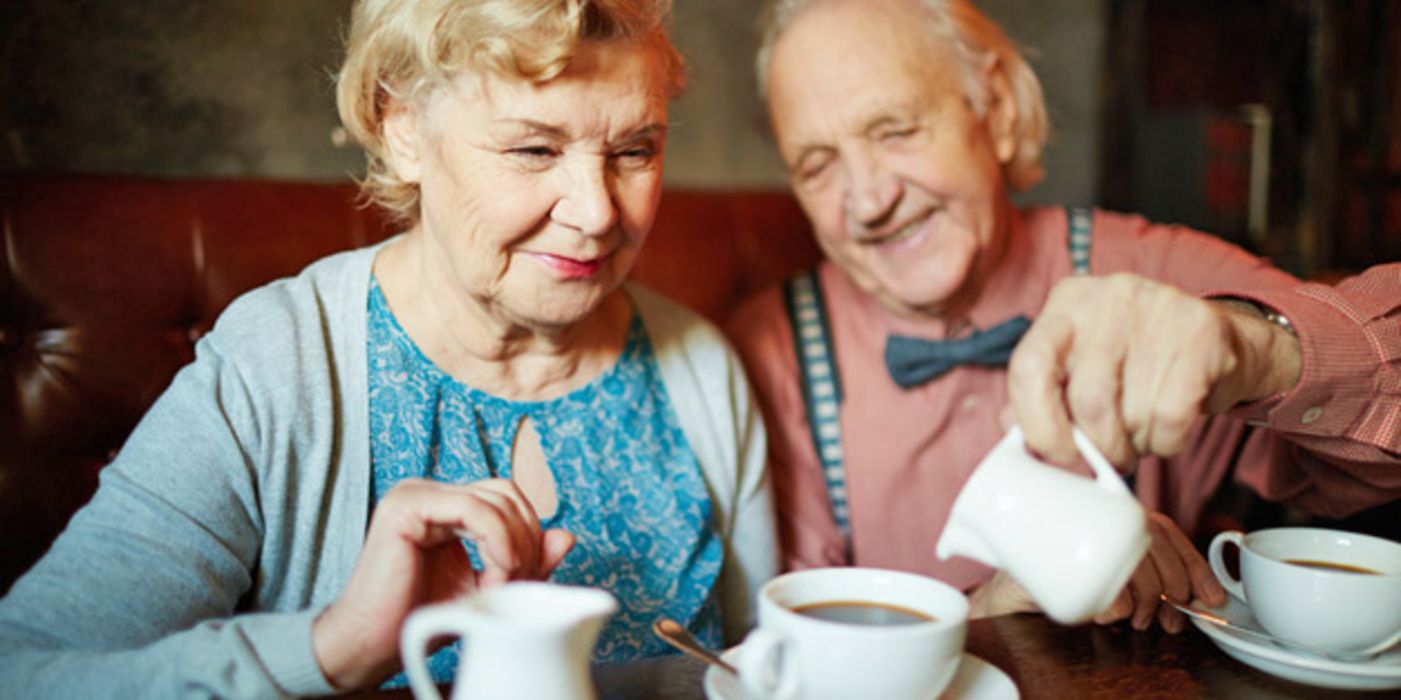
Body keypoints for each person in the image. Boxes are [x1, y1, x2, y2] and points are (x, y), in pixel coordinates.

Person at [0, 0, 778, 695]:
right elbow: (24, 670)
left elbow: (764, 669)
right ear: (401, 126)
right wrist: (336, 649)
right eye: (533, 151)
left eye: (634, 151)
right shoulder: (278, 362)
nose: (596, 213)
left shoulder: (699, 367)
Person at [728, 0, 1400, 633]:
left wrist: (1259, 348)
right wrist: (986, 613)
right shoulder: (765, 354)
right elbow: (794, 651)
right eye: (816, 166)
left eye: (895, 130)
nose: (868, 199)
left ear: (991, 109)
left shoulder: (1145, 272)